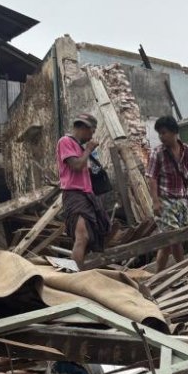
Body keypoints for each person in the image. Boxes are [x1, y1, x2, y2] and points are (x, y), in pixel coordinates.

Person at [147, 116, 188, 272]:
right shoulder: (157, 153)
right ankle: (183, 270)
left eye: (164, 133)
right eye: (159, 134)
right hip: (165, 201)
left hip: (181, 201)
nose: (161, 137)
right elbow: (152, 178)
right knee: (174, 237)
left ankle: (159, 275)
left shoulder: (187, 151)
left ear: (174, 132)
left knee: (173, 240)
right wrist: (155, 201)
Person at [56, 113, 111, 267]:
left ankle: (79, 270)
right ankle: (75, 278)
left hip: (87, 195)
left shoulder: (79, 147)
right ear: (84, 128)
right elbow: (77, 165)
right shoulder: (65, 141)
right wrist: (88, 150)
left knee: (91, 237)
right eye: (92, 132)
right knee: (82, 237)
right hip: (75, 195)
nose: (91, 136)